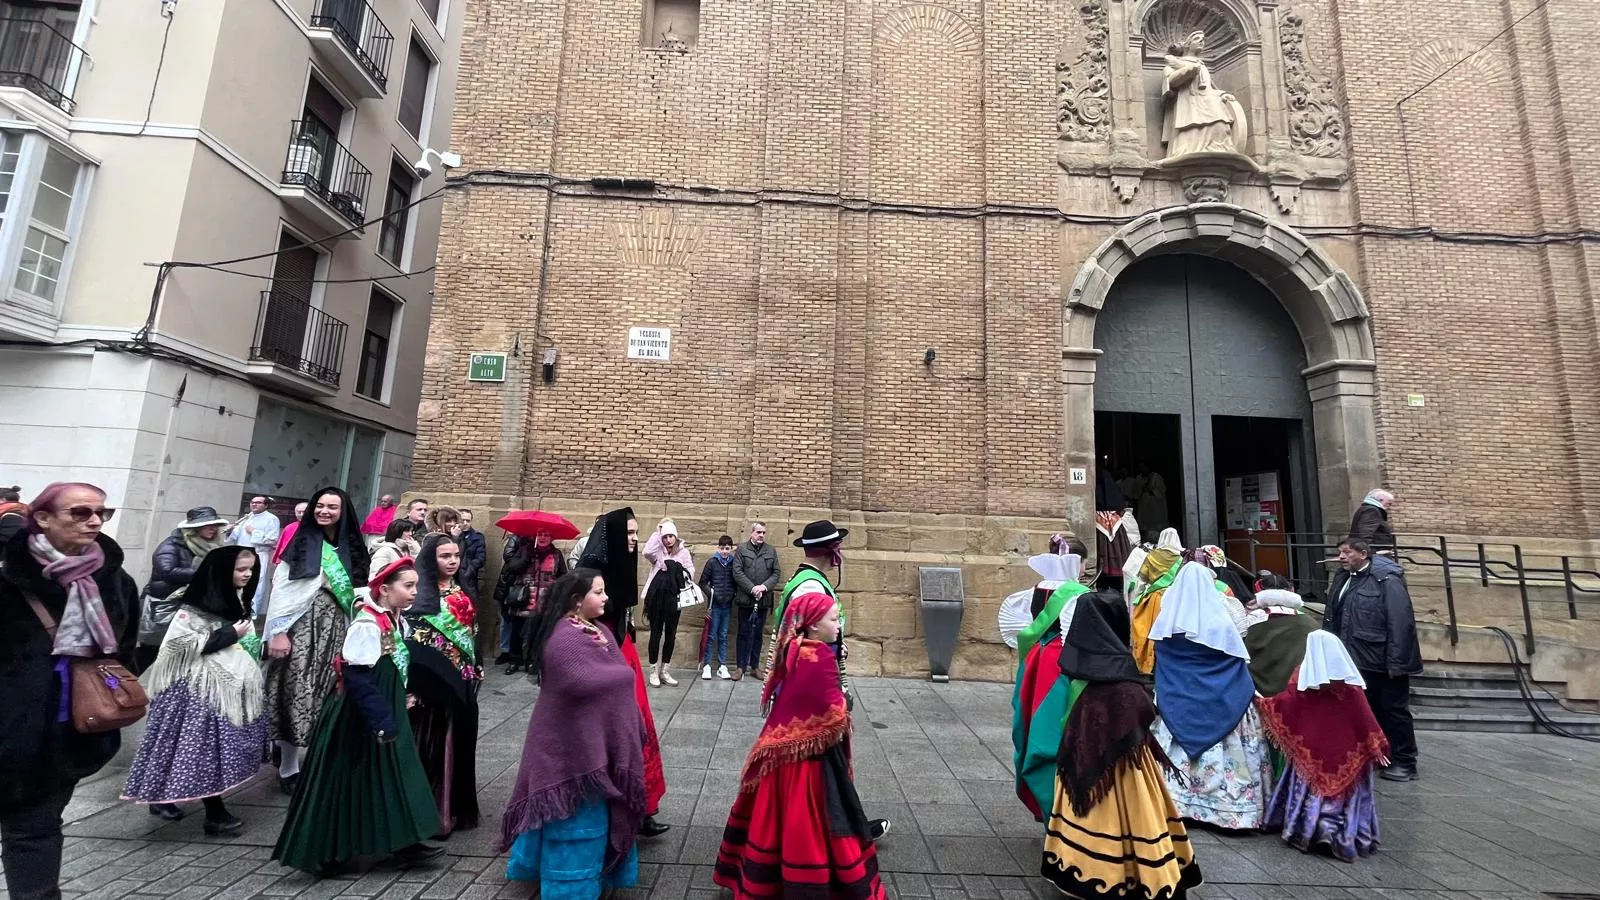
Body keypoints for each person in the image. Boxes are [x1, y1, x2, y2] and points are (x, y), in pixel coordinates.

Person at [0, 483, 140, 900]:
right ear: (42, 518)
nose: (95, 521)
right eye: (80, 512)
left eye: (102, 512)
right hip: (9, 727)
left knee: (34, 828)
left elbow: (125, 650)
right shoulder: (8, 578)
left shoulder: (115, 581)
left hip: (69, 732)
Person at [272, 557, 443, 875]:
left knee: (396, 776)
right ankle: (328, 851)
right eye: (408, 586)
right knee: (346, 780)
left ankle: (406, 843)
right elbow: (358, 675)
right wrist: (380, 719)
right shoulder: (367, 624)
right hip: (359, 718)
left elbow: (391, 666)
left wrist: (403, 695)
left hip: (383, 711)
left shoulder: (392, 619)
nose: (414, 592)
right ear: (385, 589)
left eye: (415, 586)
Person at [714, 591, 887, 900]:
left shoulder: (796, 648)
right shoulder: (817, 657)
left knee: (772, 822)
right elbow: (832, 712)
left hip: (784, 754)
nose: (838, 624)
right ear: (812, 625)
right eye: (833, 619)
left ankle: (767, 882)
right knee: (810, 825)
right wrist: (845, 703)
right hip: (810, 765)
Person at [1041, 591, 1201, 899]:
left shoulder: (1081, 675)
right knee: (1136, 814)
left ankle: (1100, 867)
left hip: (1108, 759)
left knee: (1110, 816)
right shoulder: (1121, 676)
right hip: (1127, 766)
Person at [500, 570, 647, 897]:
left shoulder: (601, 631)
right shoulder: (562, 638)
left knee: (596, 818)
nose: (606, 597)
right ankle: (569, 888)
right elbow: (586, 681)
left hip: (597, 745)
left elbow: (615, 675)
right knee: (571, 823)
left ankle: (598, 874)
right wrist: (623, 678)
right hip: (569, 750)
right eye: (599, 591)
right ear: (577, 600)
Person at [121, 546, 266, 833]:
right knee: (202, 750)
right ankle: (215, 814)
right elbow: (177, 647)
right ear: (222, 571)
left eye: (251, 569)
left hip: (217, 687)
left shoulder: (233, 598)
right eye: (241, 569)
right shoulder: (194, 606)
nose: (248, 575)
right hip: (193, 691)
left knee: (180, 749)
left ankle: (162, 798)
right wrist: (230, 634)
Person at [767, 520, 891, 843]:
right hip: (811, 690)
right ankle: (835, 833)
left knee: (826, 767)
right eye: (838, 548)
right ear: (830, 552)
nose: (841, 554)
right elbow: (804, 639)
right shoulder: (810, 586)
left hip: (813, 683)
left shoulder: (812, 580)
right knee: (818, 768)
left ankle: (845, 826)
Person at [1148, 562, 1273, 830]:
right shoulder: (1222, 616)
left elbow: (1161, 658)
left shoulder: (1168, 620)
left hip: (1177, 696)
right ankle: (1227, 808)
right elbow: (1236, 656)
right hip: (1222, 696)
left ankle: (1175, 801)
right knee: (1233, 750)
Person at [263, 487, 370, 795]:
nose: (324, 511)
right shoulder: (301, 541)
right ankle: (288, 766)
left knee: (328, 691)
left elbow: (360, 586)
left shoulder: (353, 546)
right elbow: (283, 589)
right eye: (320, 506)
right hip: (300, 627)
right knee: (294, 689)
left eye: (332, 507)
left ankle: (319, 758)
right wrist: (278, 631)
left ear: (343, 511)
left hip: (337, 628)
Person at [577, 507, 670, 837]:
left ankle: (642, 808)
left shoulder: (620, 565)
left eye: (635, 532)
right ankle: (615, 810)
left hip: (622, 652)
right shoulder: (589, 572)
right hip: (599, 654)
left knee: (639, 728)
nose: (634, 539)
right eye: (629, 533)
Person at [1259, 631, 1389, 862]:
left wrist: (1262, 702)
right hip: (1348, 755)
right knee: (1344, 800)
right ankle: (1338, 833)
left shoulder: (1303, 683)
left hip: (1312, 755)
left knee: (1310, 794)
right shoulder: (1351, 689)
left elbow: (1284, 704)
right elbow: (1366, 721)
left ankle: (1311, 830)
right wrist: (1376, 747)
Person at [1324, 538, 1422, 782]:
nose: (1342, 557)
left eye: (1347, 552)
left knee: (1393, 710)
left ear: (1364, 554)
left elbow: (1400, 621)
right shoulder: (1343, 578)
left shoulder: (1386, 579)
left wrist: (1397, 661)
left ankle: (1405, 761)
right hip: (1355, 657)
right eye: (1340, 553)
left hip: (1382, 659)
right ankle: (1379, 755)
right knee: (1367, 709)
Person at [406, 533, 481, 836]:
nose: (452, 561)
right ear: (430, 559)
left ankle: (455, 807)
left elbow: (472, 631)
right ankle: (429, 813)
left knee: (460, 740)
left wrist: (476, 665)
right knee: (433, 742)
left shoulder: (463, 589)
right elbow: (413, 639)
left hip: (462, 676)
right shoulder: (418, 592)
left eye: (456, 556)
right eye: (444, 556)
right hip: (431, 681)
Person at [1011, 579, 1091, 821]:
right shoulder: (1063, 654)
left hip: (1039, 724)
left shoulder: (1037, 645)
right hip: (1054, 739)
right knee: (1049, 751)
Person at [138, 506, 231, 672]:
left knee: (185, 650)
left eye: (215, 525)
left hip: (192, 606)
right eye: (207, 525)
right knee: (152, 648)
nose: (213, 528)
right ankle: (119, 685)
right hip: (166, 605)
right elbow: (167, 572)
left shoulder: (210, 546)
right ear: (193, 528)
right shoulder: (171, 545)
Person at [1161, 29, 1247, 158]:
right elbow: (1170, 81)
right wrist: (1188, 71)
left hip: (1208, 100)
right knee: (1192, 128)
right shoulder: (1175, 63)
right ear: (1188, 45)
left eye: (1203, 39)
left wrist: (1222, 94)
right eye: (1197, 39)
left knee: (1221, 124)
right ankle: (1189, 150)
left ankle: (1218, 149)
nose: (1202, 41)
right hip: (1189, 102)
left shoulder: (1202, 65)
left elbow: (1210, 87)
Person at [495, 528, 567, 672]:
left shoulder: (557, 554)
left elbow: (562, 576)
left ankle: (531, 661)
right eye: (540, 534)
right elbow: (511, 568)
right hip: (523, 599)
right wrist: (525, 557)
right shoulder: (524, 550)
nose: (542, 537)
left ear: (551, 538)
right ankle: (515, 661)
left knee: (537, 633)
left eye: (546, 534)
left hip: (544, 601)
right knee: (517, 632)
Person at [1242, 573, 1318, 697]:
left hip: (1260, 691)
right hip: (1300, 689)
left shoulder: (1250, 620)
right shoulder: (1310, 622)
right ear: (1291, 589)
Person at [642, 520, 694, 687]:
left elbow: (690, 572)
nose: (668, 540)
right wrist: (657, 533)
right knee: (655, 634)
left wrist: (675, 569)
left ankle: (665, 670)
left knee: (671, 634)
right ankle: (653, 671)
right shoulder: (658, 551)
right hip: (657, 598)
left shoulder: (683, 552)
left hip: (674, 598)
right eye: (665, 537)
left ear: (676, 536)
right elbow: (647, 551)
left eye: (670, 536)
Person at [1130, 528, 1185, 673]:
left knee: (1149, 632)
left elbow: (1142, 580)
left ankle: (1149, 665)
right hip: (1175, 599)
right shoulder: (1181, 559)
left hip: (1154, 599)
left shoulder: (1152, 556)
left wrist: (1137, 599)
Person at [731, 521, 780, 681]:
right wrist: (752, 588)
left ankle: (754, 666)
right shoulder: (742, 549)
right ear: (751, 533)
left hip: (763, 599)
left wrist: (764, 587)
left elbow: (776, 573)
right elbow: (737, 572)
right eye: (759, 532)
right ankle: (740, 667)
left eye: (763, 533)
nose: (761, 535)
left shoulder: (770, 551)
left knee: (758, 634)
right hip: (746, 599)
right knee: (743, 633)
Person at [232, 496, 281, 617]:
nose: (254, 505)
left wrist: (254, 532)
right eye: (252, 502)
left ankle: (252, 612)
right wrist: (230, 531)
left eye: (258, 503)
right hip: (241, 555)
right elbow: (236, 535)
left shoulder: (272, 519)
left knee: (256, 584)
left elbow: (272, 540)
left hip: (258, 554)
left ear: (265, 505)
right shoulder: (247, 517)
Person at [699, 535, 737, 680]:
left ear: (731, 548)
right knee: (711, 635)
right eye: (722, 548)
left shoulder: (734, 563)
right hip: (714, 605)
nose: (724, 552)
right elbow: (702, 582)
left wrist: (732, 594)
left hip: (727, 605)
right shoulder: (712, 562)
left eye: (727, 548)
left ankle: (722, 665)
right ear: (718, 548)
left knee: (723, 636)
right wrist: (712, 593)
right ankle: (707, 665)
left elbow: (736, 580)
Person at [457, 509, 487, 605]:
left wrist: (469, 570)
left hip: (468, 579)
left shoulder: (477, 537)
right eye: (462, 520)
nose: (465, 523)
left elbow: (481, 558)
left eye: (468, 521)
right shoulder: (452, 535)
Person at [272, 501, 309, 566]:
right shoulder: (289, 527)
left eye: (304, 512)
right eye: (299, 512)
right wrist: (277, 559)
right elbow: (281, 545)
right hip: (287, 561)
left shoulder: (319, 527)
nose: (301, 514)